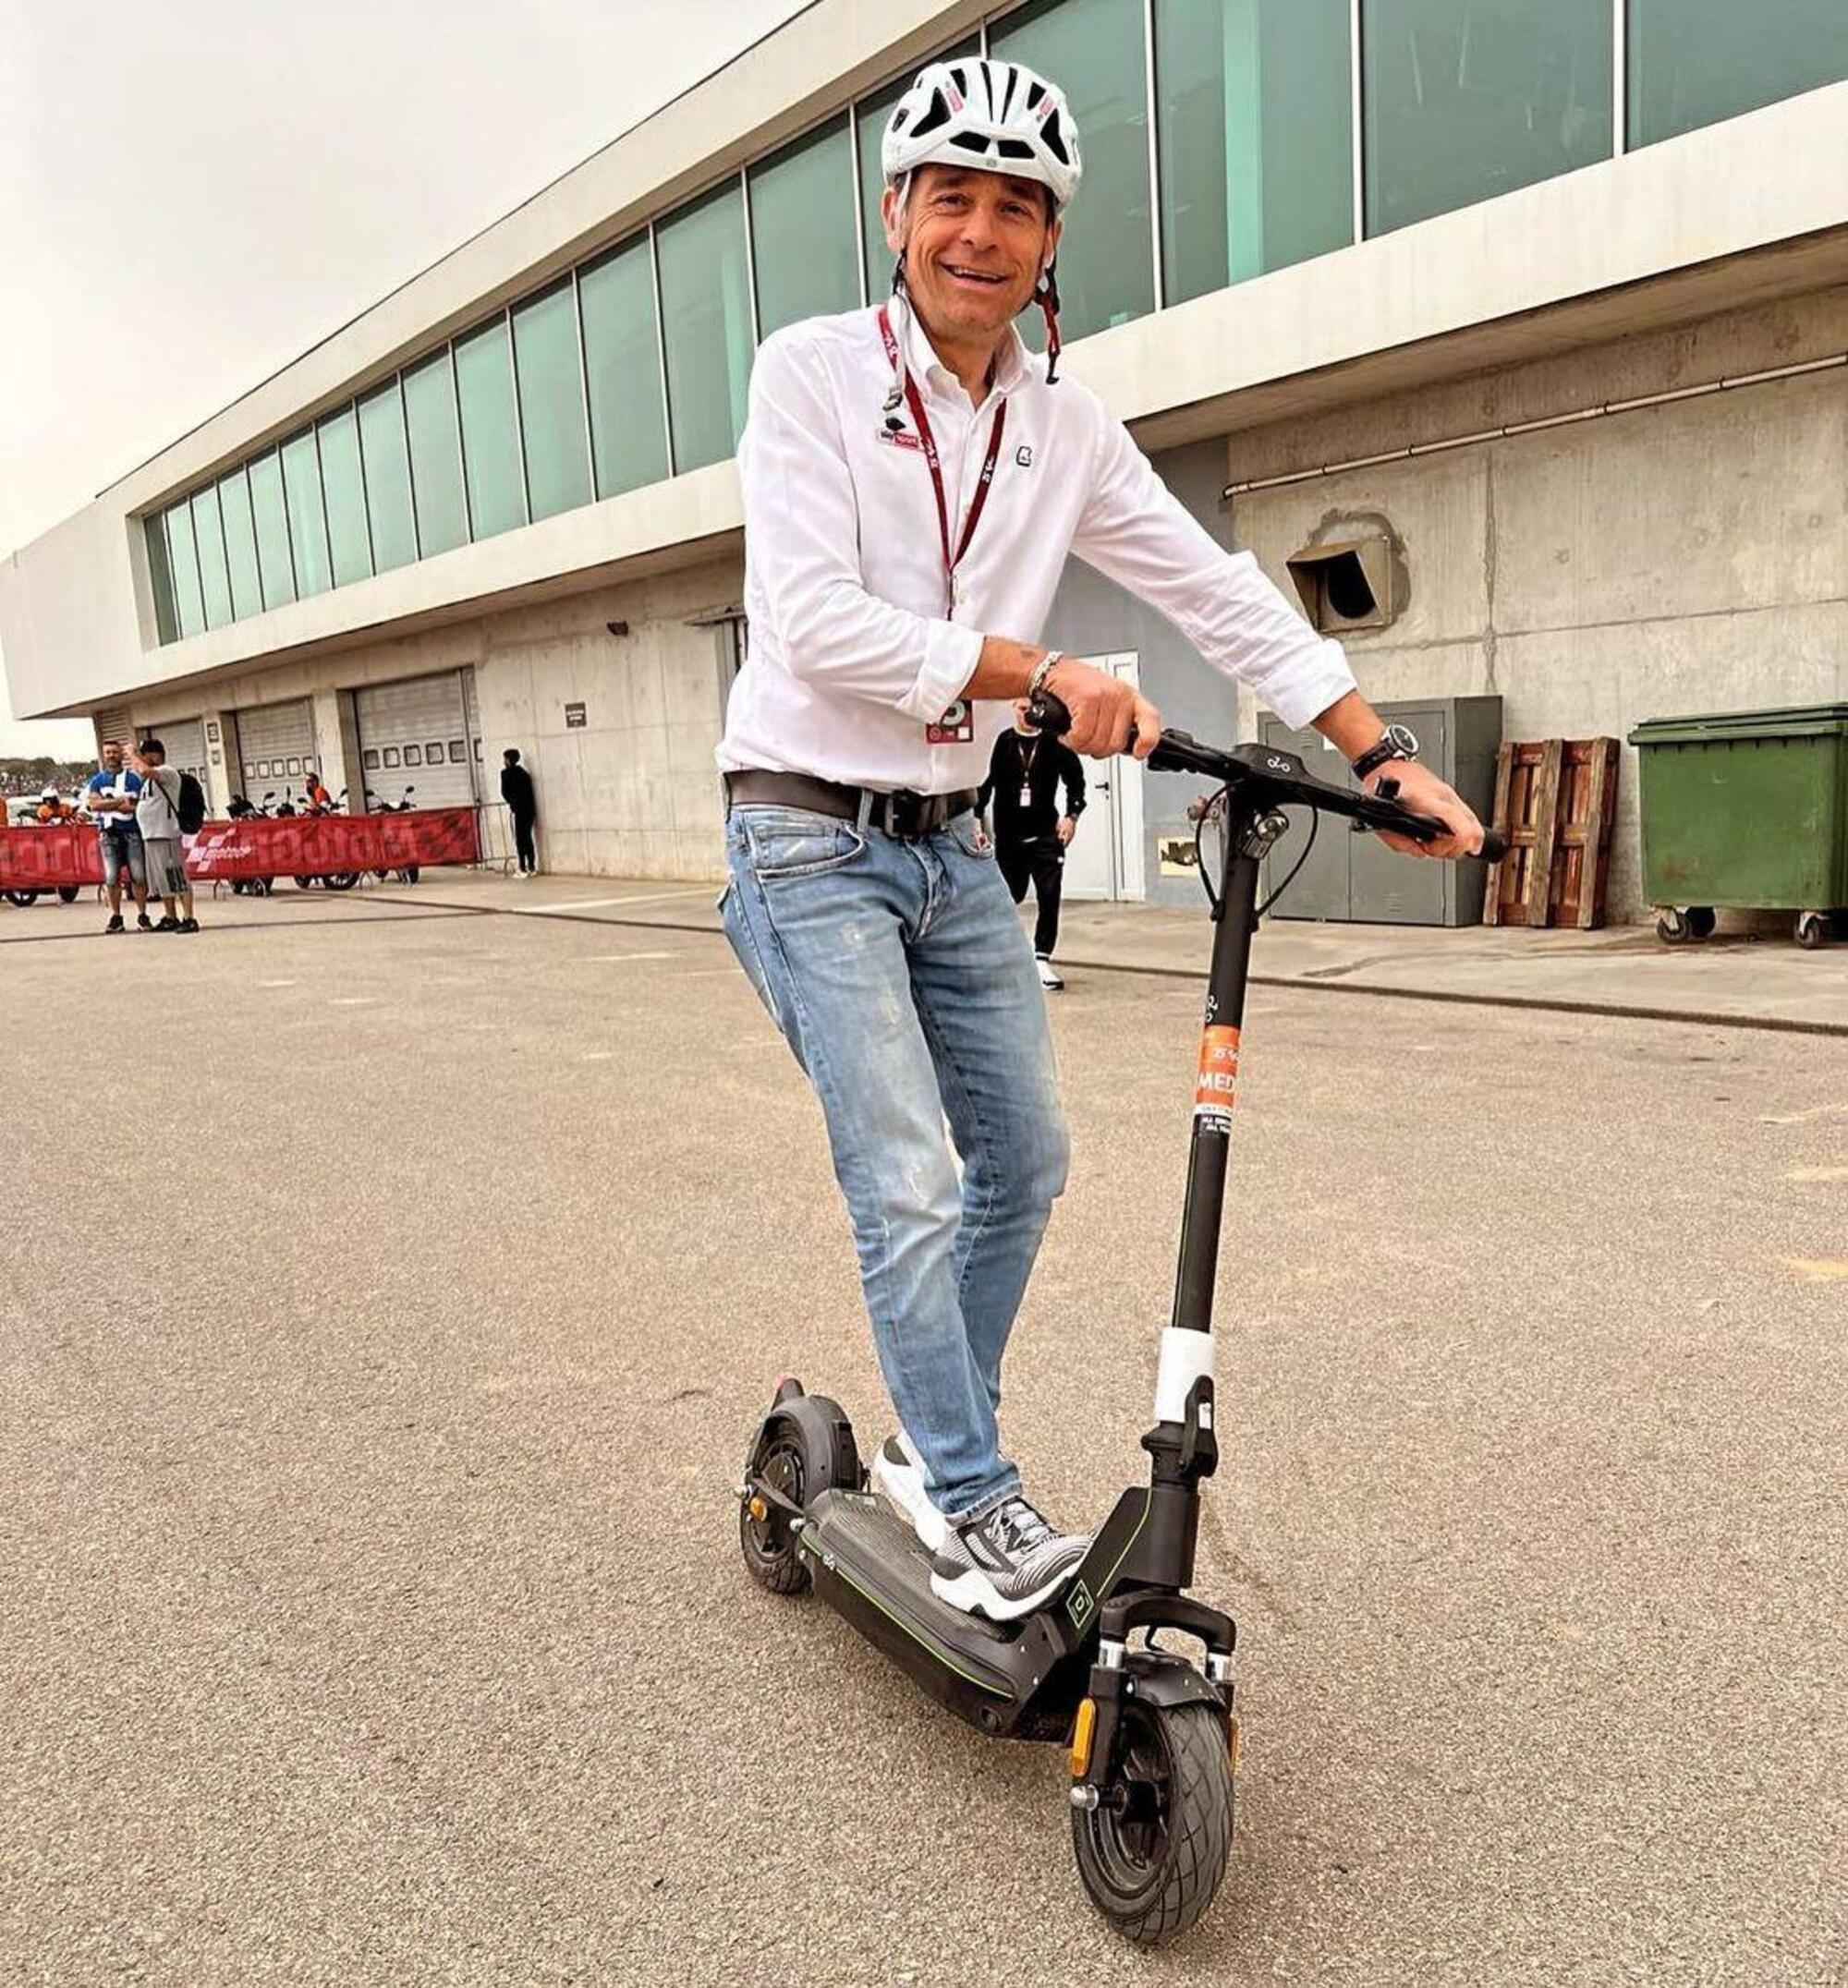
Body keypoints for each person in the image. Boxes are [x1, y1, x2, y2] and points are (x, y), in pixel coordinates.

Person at [716, 56, 1484, 1620]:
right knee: (914, 1177)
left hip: (946, 845)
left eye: (1018, 207)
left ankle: (941, 1445)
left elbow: (1209, 588)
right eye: (954, 198)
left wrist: (1376, 750)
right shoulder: (809, 373)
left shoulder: (1064, 425)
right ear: (896, 214)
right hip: (804, 835)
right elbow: (808, 624)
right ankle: (975, 1491)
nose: (982, 233)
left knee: (1029, 1162)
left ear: (1050, 242)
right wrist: (1037, 674)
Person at [979, 697, 1086, 990]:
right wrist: (976, 821)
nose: (1027, 714)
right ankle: (1004, 956)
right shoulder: (1003, 743)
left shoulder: (1054, 743)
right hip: (1009, 836)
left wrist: (1071, 817)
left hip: (1045, 837)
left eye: (1032, 710)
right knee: (1007, 896)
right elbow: (983, 785)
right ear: (1014, 708)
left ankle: (1041, 958)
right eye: (1022, 708)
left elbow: (1075, 780)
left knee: (1049, 896)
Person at [83, 741, 152, 934]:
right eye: (108, 752)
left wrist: (108, 804)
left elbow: (138, 806)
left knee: (138, 875)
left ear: (121, 754)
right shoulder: (97, 780)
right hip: (108, 833)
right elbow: (94, 805)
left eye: (115, 752)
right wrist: (121, 800)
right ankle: (116, 915)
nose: (112, 755)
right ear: (104, 755)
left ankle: (142, 913)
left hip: (131, 831)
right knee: (112, 877)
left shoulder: (133, 780)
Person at [131, 739, 198, 933]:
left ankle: (189, 917)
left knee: (176, 876)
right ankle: (170, 916)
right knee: (162, 880)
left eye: (143, 756)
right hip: (151, 835)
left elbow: (143, 770)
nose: (141, 761)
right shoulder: (149, 781)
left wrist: (131, 754)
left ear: (153, 755)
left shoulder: (167, 772)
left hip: (165, 833)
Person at [500, 748, 538, 878]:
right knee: (527, 837)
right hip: (529, 810)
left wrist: (513, 804)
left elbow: (505, 793)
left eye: (505, 759)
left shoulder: (505, 774)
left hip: (519, 810)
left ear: (508, 760)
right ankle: (531, 866)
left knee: (520, 839)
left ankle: (522, 867)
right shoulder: (524, 774)